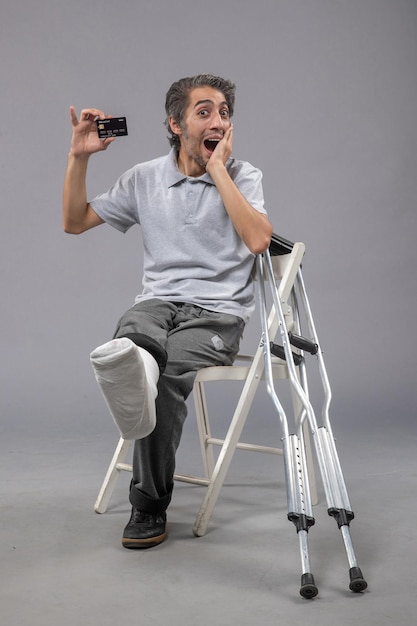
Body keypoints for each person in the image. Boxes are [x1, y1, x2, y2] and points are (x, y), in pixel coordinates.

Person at [63, 74, 273, 549]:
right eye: (204, 112)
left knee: (161, 375)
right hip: (156, 307)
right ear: (176, 124)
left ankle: (148, 505)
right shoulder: (144, 178)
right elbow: (74, 222)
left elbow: (259, 240)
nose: (217, 120)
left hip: (216, 317)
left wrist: (218, 169)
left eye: (223, 113)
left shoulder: (244, 176)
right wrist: (79, 158)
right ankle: (133, 363)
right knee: (135, 339)